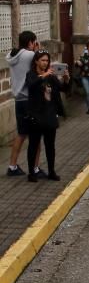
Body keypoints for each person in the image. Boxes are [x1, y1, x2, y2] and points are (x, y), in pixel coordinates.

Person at [24, 51, 68, 182]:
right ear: (36, 61)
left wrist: (66, 79)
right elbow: (31, 86)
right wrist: (43, 76)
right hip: (35, 116)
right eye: (42, 60)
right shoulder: (31, 74)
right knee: (33, 145)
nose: (45, 63)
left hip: (49, 115)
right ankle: (31, 173)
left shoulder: (51, 76)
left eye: (47, 61)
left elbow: (62, 89)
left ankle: (51, 171)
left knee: (50, 146)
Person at [7, 31, 39, 177]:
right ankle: (35, 169)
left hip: (18, 100)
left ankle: (12, 166)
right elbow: (42, 61)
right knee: (36, 135)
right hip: (29, 99)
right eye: (34, 42)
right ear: (30, 42)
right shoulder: (29, 55)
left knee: (21, 134)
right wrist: (38, 50)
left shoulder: (11, 55)